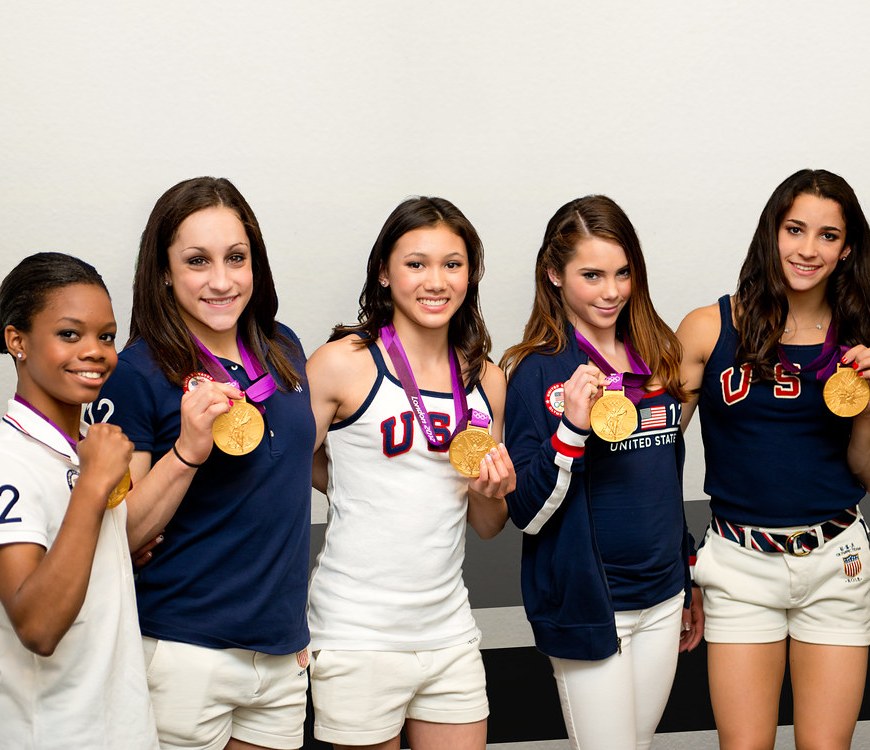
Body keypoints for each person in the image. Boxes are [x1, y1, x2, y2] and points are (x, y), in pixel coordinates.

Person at [86, 177, 315, 750]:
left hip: (280, 653)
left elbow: (286, 481)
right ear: (163, 271)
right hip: (183, 652)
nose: (221, 281)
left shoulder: (284, 348)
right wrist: (188, 450)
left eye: (236, 258)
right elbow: (120, 533)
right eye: (197, 261)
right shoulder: (134, 373)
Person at [306, 196, 515, 750]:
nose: (436, 281)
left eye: (453, 264)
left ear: (470, 273)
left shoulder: (486, 380)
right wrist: (351, 485)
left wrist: (491, 491)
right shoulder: (342, 362)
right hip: (357, 634)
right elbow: (287, 464)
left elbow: (488, 525)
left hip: (449, 633)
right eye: (416, 263)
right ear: (384, 272)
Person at [501, 195, 703, 750]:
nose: (611, 291)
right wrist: (571, 428)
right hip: (593, 605)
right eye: (591, 275)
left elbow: (666, 478)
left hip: (663, 597)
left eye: (622, 273)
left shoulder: (657, 355)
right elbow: (526, 513)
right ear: (554, 274)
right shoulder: (536, 370)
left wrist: (686, 574)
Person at [677, 169, 870, 750]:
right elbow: (654, 455)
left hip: (837, 561)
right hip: (739, 563)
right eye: (795, 229)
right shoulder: (709, 328)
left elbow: (864, 471)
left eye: (828, 235)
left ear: (847, 248)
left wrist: (868, 403)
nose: (808, 249)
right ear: (772, 232)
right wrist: (677, 563)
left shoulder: (862, 334)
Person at [0, 252, 158, 749]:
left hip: (124, 727)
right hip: (56, 734)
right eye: (69, 334)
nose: (94, 351)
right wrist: (92, 486)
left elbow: (73, 559)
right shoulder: (10, 457)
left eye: (106, 336)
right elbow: (38, 627)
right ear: (17, 341)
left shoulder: (89, 446)